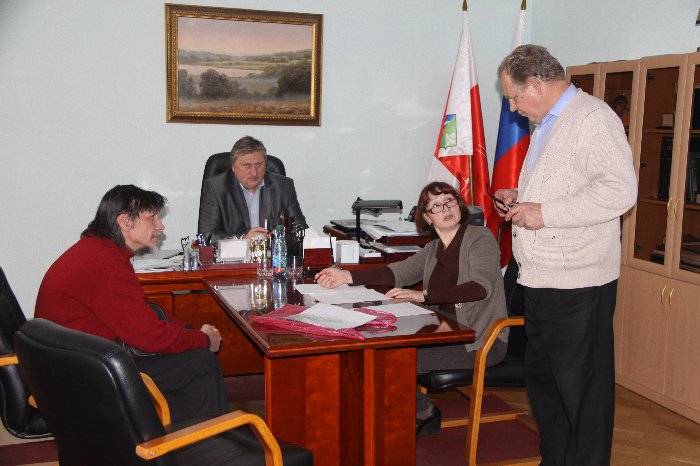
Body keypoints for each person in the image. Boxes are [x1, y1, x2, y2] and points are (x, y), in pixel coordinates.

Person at [493, 44, 637, 465]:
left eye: (514, 97)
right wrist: (521, 197)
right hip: (541, 278)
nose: (513, 107)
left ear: (536, 84)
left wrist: (545, 212)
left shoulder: (592, 119)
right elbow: (567, 184)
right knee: (547, 387)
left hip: (579, 282)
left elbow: (619, 191)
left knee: (582, 393)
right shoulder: (548, 122)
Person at [315, 181, 508, 438]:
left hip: (480, 339)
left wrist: (423, 295)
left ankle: (420, 413)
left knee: (391, 358)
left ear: (459, 205)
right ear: (427, 218)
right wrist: (347, 276)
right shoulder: (433, 249)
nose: (445, 209)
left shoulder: (480, 238)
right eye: (435, 206)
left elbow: (479, 288)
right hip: (445, 329)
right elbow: (397, 273)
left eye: (449, 201)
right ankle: (400, 412)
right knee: (378, 345)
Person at [35, 185, 228, 423]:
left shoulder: (100, 250)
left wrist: (189, 331)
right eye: (152, 218)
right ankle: (202, 439)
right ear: (124, 222)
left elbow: (143, 311)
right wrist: (203, 340)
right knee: (201, 363)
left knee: (190, 359)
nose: (160, 226)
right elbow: (149, 336)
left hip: (73, 365)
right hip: (83, 377)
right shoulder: (106, 264)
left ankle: (187, 431)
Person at [198, 135, 307, 241]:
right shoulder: (216, 187)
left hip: (273, 252)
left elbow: (301, 228)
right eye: (247, 165)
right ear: (233, 167)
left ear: (265, 164)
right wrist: (243, 239)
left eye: (259, 164)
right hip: (235, 253)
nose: (254, 172)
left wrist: (281, 235)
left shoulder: (283, 186)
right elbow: (207, 235)